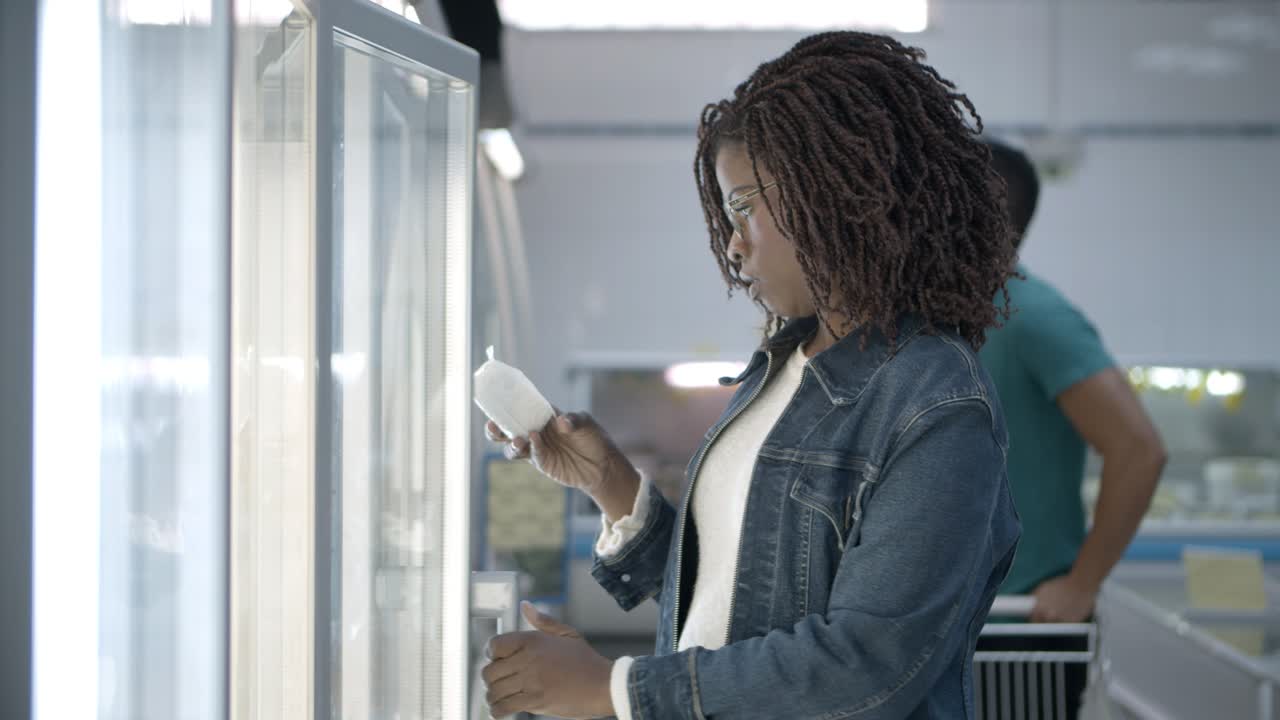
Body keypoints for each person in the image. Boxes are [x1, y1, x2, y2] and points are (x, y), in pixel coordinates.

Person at [481, 32, 1021, 719]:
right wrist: (610, 483)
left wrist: (611, 689)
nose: (733, 247)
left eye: (742, 208)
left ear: (829, 195)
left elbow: (866, 666)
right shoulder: (783, 366)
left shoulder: (936, 401)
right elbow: (739, 595)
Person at [979, 140, 1166, 717]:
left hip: (1021, 631)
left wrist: (1081, 584)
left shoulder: (1031, 316)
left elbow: (1139, 450)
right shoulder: (951, 320)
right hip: (959, 626)